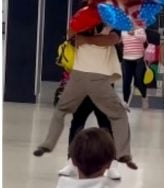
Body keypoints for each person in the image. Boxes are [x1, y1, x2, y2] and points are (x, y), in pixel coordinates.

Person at [33, 24, 137, 170]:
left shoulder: (110, 25)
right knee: (82, 122)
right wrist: (87, 37)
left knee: (102, 123)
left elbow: (111, 40)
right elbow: (71, 35)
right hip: (97, 81)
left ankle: (110, 163)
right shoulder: (89, 22)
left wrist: (86, 39)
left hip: (89, 80)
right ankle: (74, 162)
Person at [121, 28, 149, 109]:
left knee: (139, 80)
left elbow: (144, 39)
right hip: (126, 59)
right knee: (126, 82)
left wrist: (134, 34)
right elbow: (123, 41)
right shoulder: (123, 30)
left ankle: (144, 97)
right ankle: (125, 102)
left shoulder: (140, 29)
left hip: (139, 59)